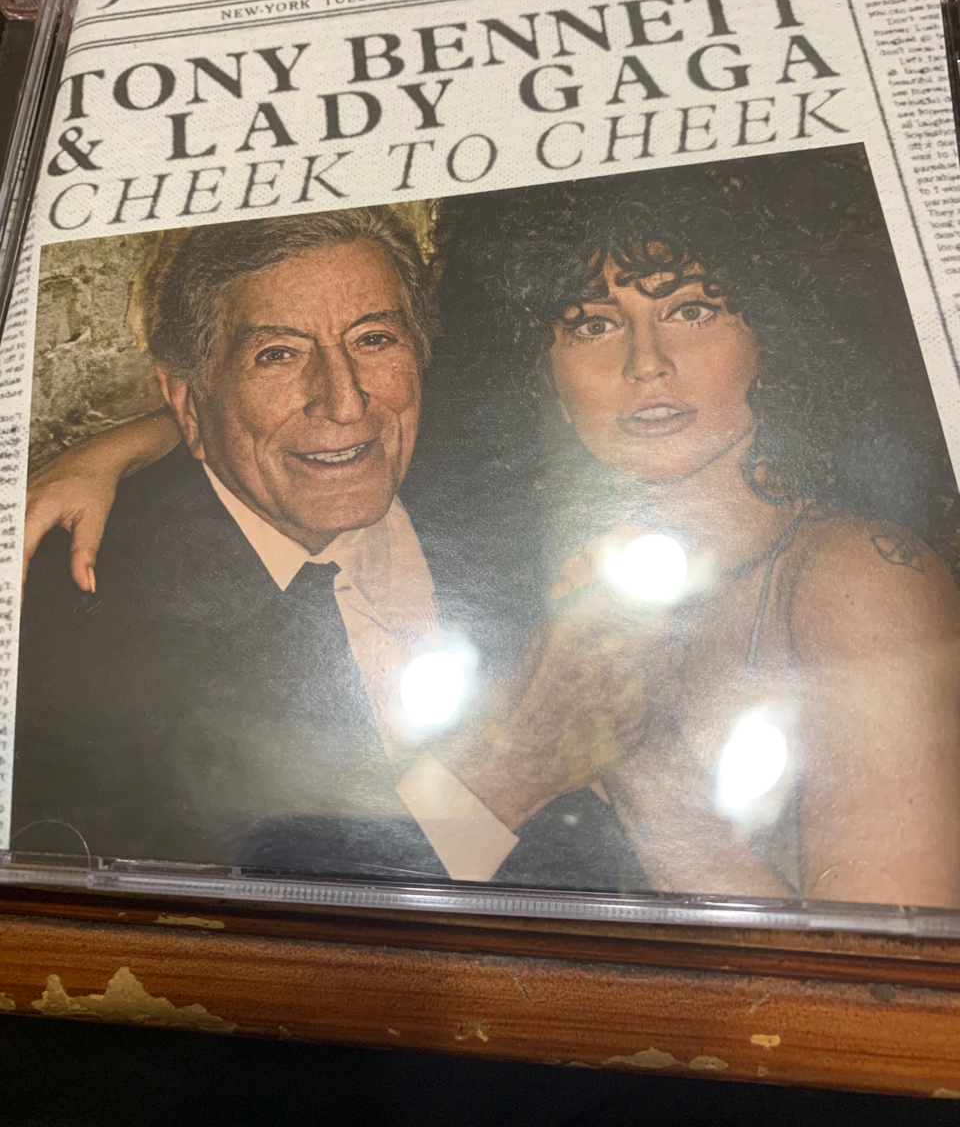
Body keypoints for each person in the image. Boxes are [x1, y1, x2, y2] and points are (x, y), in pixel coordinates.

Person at [23, 148, 960, 906]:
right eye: (592, 324)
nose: (647, 365)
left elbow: (876, 998)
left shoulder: (856, 579)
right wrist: (133, 445)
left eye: (692, 309)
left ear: (777, 330)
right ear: (538, 355)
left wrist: (630, 756)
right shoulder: (87, 626)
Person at [15, 207, 575, 883]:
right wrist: (503, 784)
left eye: (374, 339)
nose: (345, 401)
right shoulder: (80, 634)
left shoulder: (501, 489)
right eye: (278, 354)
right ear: (186, 401)